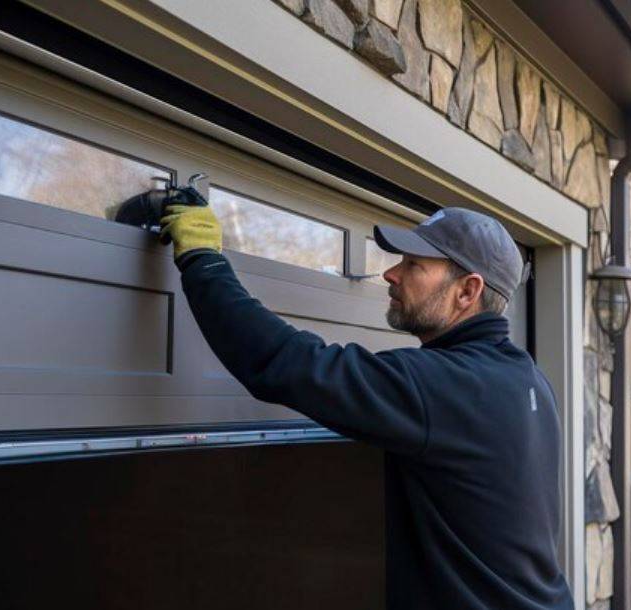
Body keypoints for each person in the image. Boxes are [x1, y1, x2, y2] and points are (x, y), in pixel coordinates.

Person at [160, 200, 574, 610]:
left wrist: (203, 260)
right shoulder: (528, 379)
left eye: (414, 265)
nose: (391, 274)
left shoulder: (444, 385)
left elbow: (287, 364)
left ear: (467, 290)